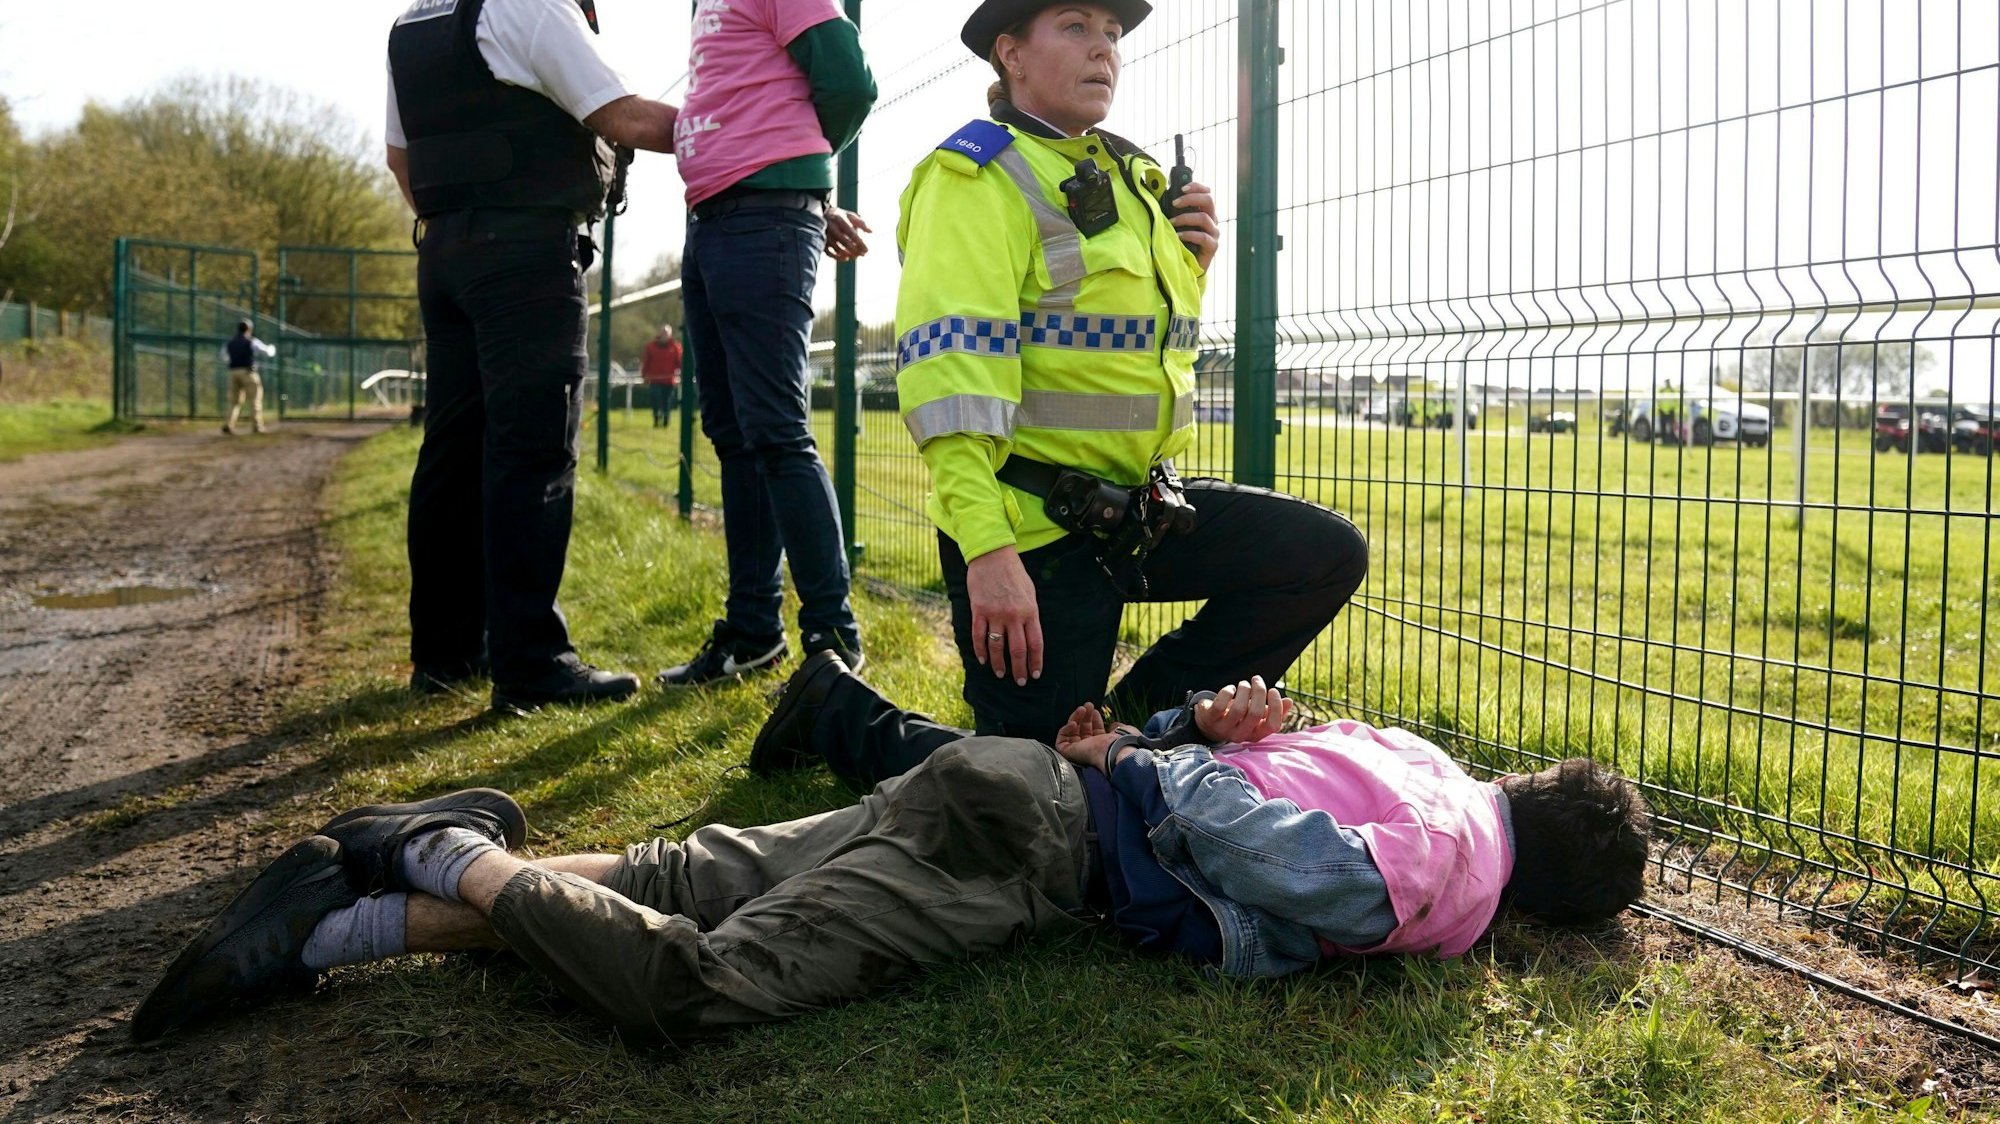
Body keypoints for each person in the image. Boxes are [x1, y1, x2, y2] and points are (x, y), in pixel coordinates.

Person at [129, 659, 1653, 1045]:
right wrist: (1161, 778)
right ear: (1547, 903)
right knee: (697, 990)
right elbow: (1302, 870)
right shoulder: (1461, 873)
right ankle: (444, 851)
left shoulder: (1422, 758)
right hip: (1040, 851)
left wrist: (1162, 745)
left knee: (699, 869)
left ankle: (334, 927)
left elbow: (1260, 760)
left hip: (1004, 780)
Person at [890, 0, 1370, 751]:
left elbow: (1141, 348)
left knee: (1320, 555)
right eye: (1074, 26)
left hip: (1136, 514)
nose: (1103, 47)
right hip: (1033, 531)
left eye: (1111, 31)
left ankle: (1124, 727)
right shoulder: (975, 179)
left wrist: (1194, 268)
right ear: (1011, 52)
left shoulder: (1133, 176)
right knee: (1031, 795)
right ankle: (836, 713)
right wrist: (988, 553)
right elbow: (951, 382)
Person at [388, 0, 682, 712]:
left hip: (442, 252)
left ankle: (445, 654)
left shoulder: (415, 17)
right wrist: (737, 132)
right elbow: (620, 115)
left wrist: (458, 228)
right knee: (532, 453)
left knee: (451, 453)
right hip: (522, 255)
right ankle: (530, 664)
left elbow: (400, 160)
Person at [653, 0, 879, 689]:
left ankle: (833, 638)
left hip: (758, 221)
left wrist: (796, 180)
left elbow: (847, 79)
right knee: (734, 433)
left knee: (778, 430)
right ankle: (753, 631)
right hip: (714, 222)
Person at [220, 320, 275, 435]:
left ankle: (228, 424)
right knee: (255, 399)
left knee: (234, 401)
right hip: (248, 372)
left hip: (233, 372)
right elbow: (267, 352)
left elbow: (224, 357)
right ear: (249, 329)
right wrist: (271, 348)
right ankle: (257, 426)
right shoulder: (251, 341)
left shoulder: (230, 343)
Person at [639, 324, 683, 428]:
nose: (664, 335)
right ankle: (656, 417)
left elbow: (680, 363)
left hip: (669, 380)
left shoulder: (676, 347)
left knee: (666, 400)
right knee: (655, 397)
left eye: (666, 333)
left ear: (670, 335)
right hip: (655, 379)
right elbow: (646, 362)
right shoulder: (651, 346)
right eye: (663, 332)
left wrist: (682, 374)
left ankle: (666, 420)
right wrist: (644, 375)